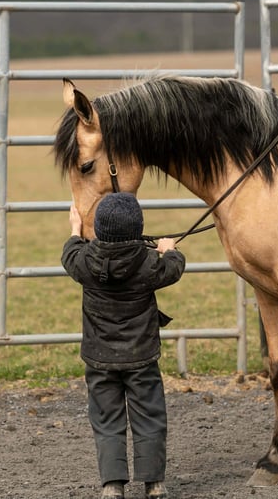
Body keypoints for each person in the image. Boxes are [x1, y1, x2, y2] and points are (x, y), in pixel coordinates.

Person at [61, 192, 185, 499]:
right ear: (138, 228)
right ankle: (154, 483)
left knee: (106, 419)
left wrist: (76, 228)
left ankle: (112, 485)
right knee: (150, 416)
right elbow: (175, 268)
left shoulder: (84, 261)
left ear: (99, 230)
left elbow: (69, 253)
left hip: (99, 358)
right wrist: (169, 250)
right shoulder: (148, 263)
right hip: (141, 357)